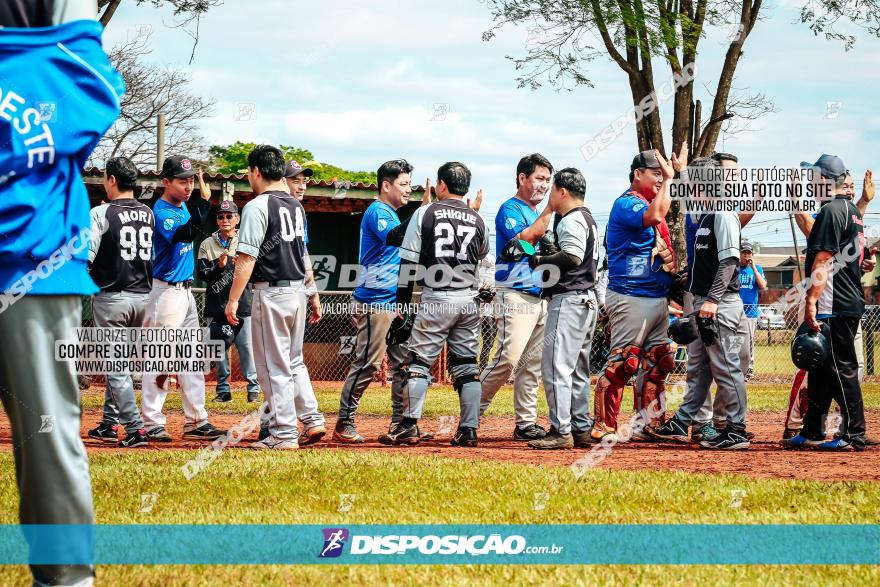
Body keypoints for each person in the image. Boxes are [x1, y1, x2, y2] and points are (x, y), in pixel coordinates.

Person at [0, 3, 123, 584]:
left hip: (34, 266)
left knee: (46, 435)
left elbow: (98, 93)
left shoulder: (64, 52)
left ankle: (67, 579)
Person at [379, 162, 489, 446]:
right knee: (466, 365)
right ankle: (469, 430)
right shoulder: (478, 219)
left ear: (441, 185)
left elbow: (407, 263)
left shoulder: (425, 212)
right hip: (468, 298)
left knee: (418, 363)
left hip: (437, 296)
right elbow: (483, 253)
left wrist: (401, 308)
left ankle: (408, 425)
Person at [226, 145, 323, 449]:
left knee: (272, 367)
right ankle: (312, 419)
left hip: (272, 293)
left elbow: (246, 259)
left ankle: (283, 433)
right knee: (294, 363)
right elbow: (303, 254)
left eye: (249, 172)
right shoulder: (295, 205)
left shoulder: (258, 206)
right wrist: (312, 290)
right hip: (297, 291)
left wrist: (232, 300)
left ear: (256, 171)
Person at [651, 157, 750, 449]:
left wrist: (713, 301)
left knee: (726, 368)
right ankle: (683, 421)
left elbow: (730, 261)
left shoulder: (722, 213)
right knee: (701, 368)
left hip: (719, 305)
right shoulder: (705, 214)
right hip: (705, 304)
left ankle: (736, 430)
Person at [592, 145, 685, 442]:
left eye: (663, 173)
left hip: (655, 297)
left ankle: (648, 424)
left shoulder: (652, 198)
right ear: (637, 174)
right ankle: (602, 425)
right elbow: (656, 214)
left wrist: (678, 176)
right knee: (625, 362)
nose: (661, 178)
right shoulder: (627, 203)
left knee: (661, 360)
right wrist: (671, 179)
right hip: (630, 295)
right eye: (655, 173)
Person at [506, 168, 600, 450]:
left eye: (553, 189)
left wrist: (538, 260)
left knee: (556, 367)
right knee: (578, 370)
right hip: (587, 299)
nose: (550, 196)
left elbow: (571, 256)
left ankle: (561, 430)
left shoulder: (571, 220)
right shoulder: (589, 218)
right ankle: (581, 428)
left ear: (562, 192)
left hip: (570, 300)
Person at [783, 156, 867, 451]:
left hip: (835, 302)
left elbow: (823, 258)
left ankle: (853, 435)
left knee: (840, 368)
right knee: (819, 368)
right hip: (843, 299)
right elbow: (813, 232)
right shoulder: (851, 210)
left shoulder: (832, 210)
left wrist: (811, 301)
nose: (809, 183)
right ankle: (813, 430)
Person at [140, 156, 226, 441]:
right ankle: (152, 422)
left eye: (190, 180)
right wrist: (204, 203)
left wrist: (199, 204)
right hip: (164, 292)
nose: (188, 186)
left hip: (186, 293)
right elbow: (186, 234)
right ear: (166, 182)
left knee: (190, 359)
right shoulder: (161, 210)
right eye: (182, 181)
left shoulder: (183, 207)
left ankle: (196, 420)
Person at [334, 159, 414, 443]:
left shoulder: (392, 213)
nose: (409, 189)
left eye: (409, 184)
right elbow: (395, 237)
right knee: (368, 364)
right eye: (403, 184)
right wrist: (424, 213)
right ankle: (344, 422)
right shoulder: (378, 210)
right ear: (386, 185)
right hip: (374, 303)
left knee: (404, 364)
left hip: (393, 302)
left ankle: (400, 425)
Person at [479, 153, 555, 441]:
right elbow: (527, 238)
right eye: (539, 178)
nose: (544, 185)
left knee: (531, 365)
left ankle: (525, 423)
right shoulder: (509, 208)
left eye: (548, 180)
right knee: (507, 359)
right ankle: (470, 416)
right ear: (522, 178)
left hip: (539, 296)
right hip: (515, 293)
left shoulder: (539, 214)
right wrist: (550, 209)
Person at [86, 157, 154, 448]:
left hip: (113, 299)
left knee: (116, 367)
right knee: (121, 365)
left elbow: (86, 259)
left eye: (105, 177)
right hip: (142, 299)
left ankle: (136, 429)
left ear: (112, 180)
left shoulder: (101, 213)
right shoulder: (148, 213)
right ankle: (108, 423)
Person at [198, 200, 261, 403]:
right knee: (219, 350)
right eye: (221, 216)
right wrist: (220, 266)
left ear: (237, 218)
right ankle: (223, 391)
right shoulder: (207, 243)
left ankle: (253, 389)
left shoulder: (246, 239)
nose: (225, 219)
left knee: (246, 349)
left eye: (229, 216)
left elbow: (256, 272)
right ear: (217, 219)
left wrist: (239, 266)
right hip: (216, 306)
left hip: (242, 305)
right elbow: (204, 275)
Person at [737, 242, 765, 380]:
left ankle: (749, 370)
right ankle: (736, 369)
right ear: (739, 254)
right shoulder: (734, 268)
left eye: (749, 253)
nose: (746, 255)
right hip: (735, 311)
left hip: (750, 312)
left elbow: (763, 285)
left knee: (749, 343)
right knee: (735, 341)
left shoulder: (757, 269)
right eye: (744, 253)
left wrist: (753, 267)